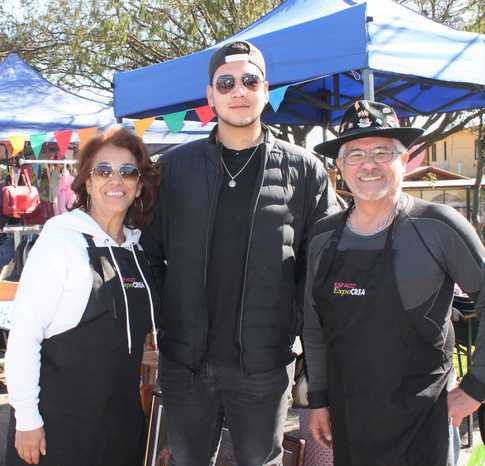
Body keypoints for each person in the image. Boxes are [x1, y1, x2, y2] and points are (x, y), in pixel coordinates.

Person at [141, 40, 337, 466]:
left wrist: (298, 333)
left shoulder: (305, 171)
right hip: (185, 363)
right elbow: (148, 256)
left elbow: (320, 268)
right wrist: (164, 321)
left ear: (266, 89)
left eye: (249, 80)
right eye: (225, 83)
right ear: (210, 96)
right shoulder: (174, 169)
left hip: (264, 365)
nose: (238, 91)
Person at [304, 100, 485, 466]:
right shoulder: (324, 236)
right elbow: (313, 325)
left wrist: (476, 387)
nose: (368, 165)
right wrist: (319, 399)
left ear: (404, 161)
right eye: (354, 155)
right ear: (339, 167)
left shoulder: (438, 226)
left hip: (423, 422)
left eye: (382, 152)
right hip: (349, 417)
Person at [5, 126, 160, 466]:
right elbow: (24, 336)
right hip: (59, 427)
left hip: (121, 426)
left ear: (138, 186)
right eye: (103, 170)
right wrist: (27, 419)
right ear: (87, 182)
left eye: (128, 172)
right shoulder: (61, 241)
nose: (115, 180)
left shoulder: (138, 248)